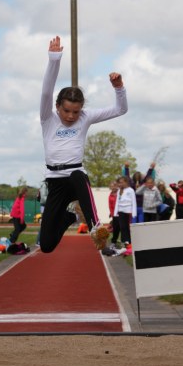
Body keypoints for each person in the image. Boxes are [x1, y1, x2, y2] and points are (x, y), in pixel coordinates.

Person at [39, 36, 128, 253]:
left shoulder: (85, 118)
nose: (71, 116)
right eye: (66, 111)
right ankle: (70, 216)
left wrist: (119, 88)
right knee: (47, 245)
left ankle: (96, 229)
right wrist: (54, 60)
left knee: (78, 175)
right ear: (57, 106)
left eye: (76, 112)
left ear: (82, 110)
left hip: (76, 177)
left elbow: (120, 109)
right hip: (55, 182)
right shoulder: (48, 118)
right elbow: (46, 92)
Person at [114, 176, 137, 246]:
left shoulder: (131, 190)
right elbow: (117, 202)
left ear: (126, 182)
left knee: (127, 227)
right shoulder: (119, 191)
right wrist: (115, 212)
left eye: (122, 182)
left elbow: (133, 202)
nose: (120, 184)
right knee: (122, 227)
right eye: (119, 183)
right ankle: (124, 241)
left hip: (128, 211)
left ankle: (129, 241)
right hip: (121, 211)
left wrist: (133, 213)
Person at [108, 180, 121, 247]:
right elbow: (110, 206)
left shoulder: (120, 193)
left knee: (123, 228)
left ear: (117, 186)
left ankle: (125, 242)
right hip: (115, 215)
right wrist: (112, 213)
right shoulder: (110, 195)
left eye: (114, 186)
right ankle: (113, 242)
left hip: (122, 213)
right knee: (115, 228)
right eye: (111, 186)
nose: (113, 187)